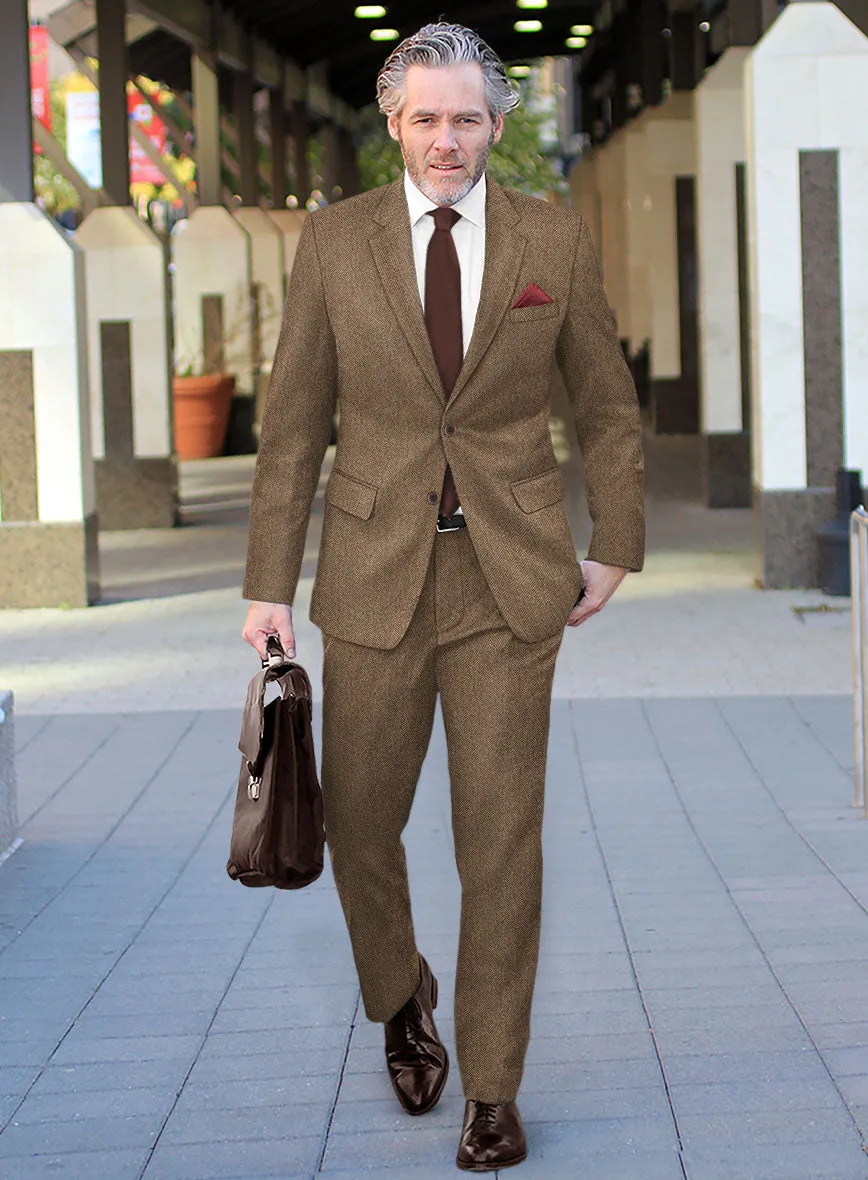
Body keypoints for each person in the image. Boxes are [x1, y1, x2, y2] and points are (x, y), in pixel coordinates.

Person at [242, 21, 645, 1172]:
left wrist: (613, 540)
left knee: (500, 841)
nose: (445, 139)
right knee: (359, 821)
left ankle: (493, 1087)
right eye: (425, 117)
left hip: (509, 580)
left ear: (498, 122)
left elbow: (607, 410)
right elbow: (289, 430)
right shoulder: (334, 242)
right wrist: (268, 583)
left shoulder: (550, 240)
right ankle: (396, 988)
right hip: (371, 577)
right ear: (393, 122)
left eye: (467, 117)